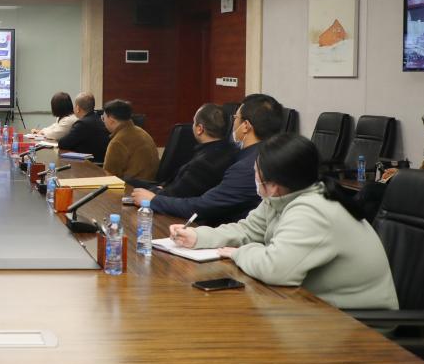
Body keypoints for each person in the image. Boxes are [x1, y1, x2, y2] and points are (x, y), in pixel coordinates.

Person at [169, 133, 398, 310]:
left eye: (256, 172)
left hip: (359, 323)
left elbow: (275, 270)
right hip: (315, 307)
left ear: (273, 184)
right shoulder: (283, 196)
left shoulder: (312, 210)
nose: (254, 176)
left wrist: (240, 252)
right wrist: (199, 236)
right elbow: (247, 230)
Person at [132, 94, 283, 226]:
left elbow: (203, 206)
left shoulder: (248, 166)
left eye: (236, 118)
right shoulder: (270, 153)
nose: (233, 123)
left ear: (245, 126)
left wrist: (153, 200)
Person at [127, 103, 236, 198]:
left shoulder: (204, 163)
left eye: (194, 122)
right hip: (167, 191)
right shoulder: (226, 150)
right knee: (129, 181)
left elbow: (174, 196)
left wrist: (155, 191)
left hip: (168, 206)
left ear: (199, 129)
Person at [101, 99, 159, 181]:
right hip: (150, 183)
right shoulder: (141, 132)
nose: (103, 122)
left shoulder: (117, 142)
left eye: (103, 118)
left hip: (132, 186)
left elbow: (109, 177)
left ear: (111, 120)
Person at [56, 92, 110, 163]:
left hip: (89, 165)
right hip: (100, 163)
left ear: (78, 108)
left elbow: (63, 144)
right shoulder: (98, 119)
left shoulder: (82, 124)